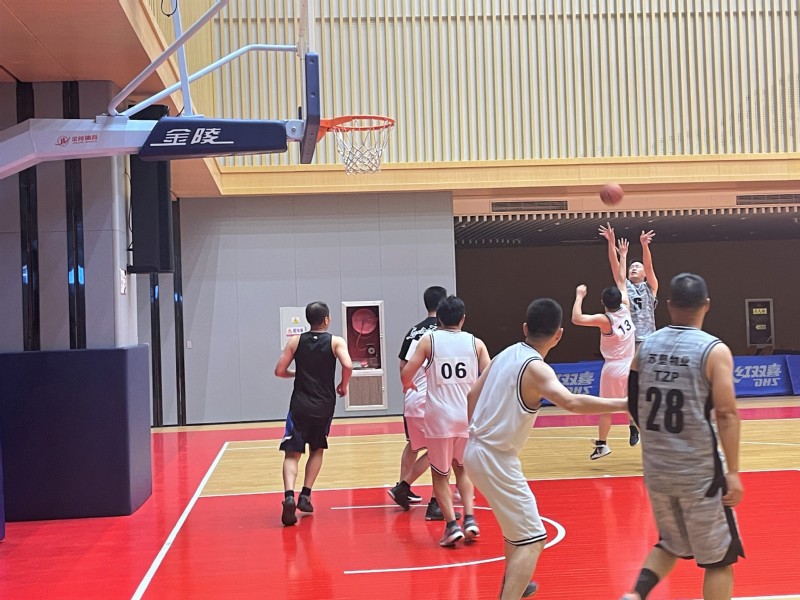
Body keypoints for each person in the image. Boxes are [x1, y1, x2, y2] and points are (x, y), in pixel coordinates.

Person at [464, 298, 628, 599]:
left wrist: (480, 430)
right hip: (494, 458)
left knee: (517, 533)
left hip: (475, 450)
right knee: (534, 539)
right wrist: (625, 404)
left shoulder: (505, 354)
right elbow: (572, 402)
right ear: (559, 335)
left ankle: (516, 582)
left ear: (525, 327)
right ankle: (511, 591)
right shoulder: (537, 369)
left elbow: (472, 394)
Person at [621, 273, 744, 600]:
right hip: (700, 473)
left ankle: (635, 595)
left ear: (669, 305)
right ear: (706, 305)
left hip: (657, 470)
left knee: (671, 543)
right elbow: (727, 414)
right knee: (719, 561)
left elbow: (632, 402)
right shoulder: (713, 350)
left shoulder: (646, 347)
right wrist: (733, 472)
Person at [401, 295, 490, 546]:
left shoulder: (429, 340)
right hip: (466, 417)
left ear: (438, 318)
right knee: (463, 469)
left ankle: (451, 526)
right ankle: (470, 519)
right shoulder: (476, 343)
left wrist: (409, 384)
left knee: (441, 474)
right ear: (463, 318)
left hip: (439, 417)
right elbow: (490, 376)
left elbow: (407, 373)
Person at [274, 301, 353, 527]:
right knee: (317, 449)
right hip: (323, 405)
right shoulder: (336, 341)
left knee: (292, 453)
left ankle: (289, 495)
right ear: (326, 319)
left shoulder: (295, 341)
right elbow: (348, 365)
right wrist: (343, 385)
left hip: (299, 404)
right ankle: (305, 495)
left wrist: (297, 373)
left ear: (308, 320)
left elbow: (279, 371)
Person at [388, 285, 456, 521]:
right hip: (434, 401)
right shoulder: (445, 333)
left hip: (412, 400)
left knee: (414, 445)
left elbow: (402, 366)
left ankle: (403, 487)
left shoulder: (414, 331)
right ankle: (434, 501)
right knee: (443, 451)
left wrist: (408, 385)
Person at [572, 238, 635, 459]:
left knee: (606, 407)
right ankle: (638, 430)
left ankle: (602, 445)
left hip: (614, 368)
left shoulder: (605, 319)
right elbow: (621, 278)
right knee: (633, 404)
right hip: (631, 365)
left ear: (603, 302)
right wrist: (623, 255)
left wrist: (579, 296)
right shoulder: (626, 307)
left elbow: (577, 318)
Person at [600, 223, 659, 446]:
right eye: (632, 266)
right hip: (630, 342)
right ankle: (633, 424)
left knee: (647, 385)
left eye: (637, 266)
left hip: (649, 340)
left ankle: (640, 422)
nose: (634, 268)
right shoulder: (624, 286)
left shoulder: (650, 287)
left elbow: (649, 266)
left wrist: (644, 246)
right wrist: (611, 243)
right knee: (632, 385)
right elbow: (615, 266)